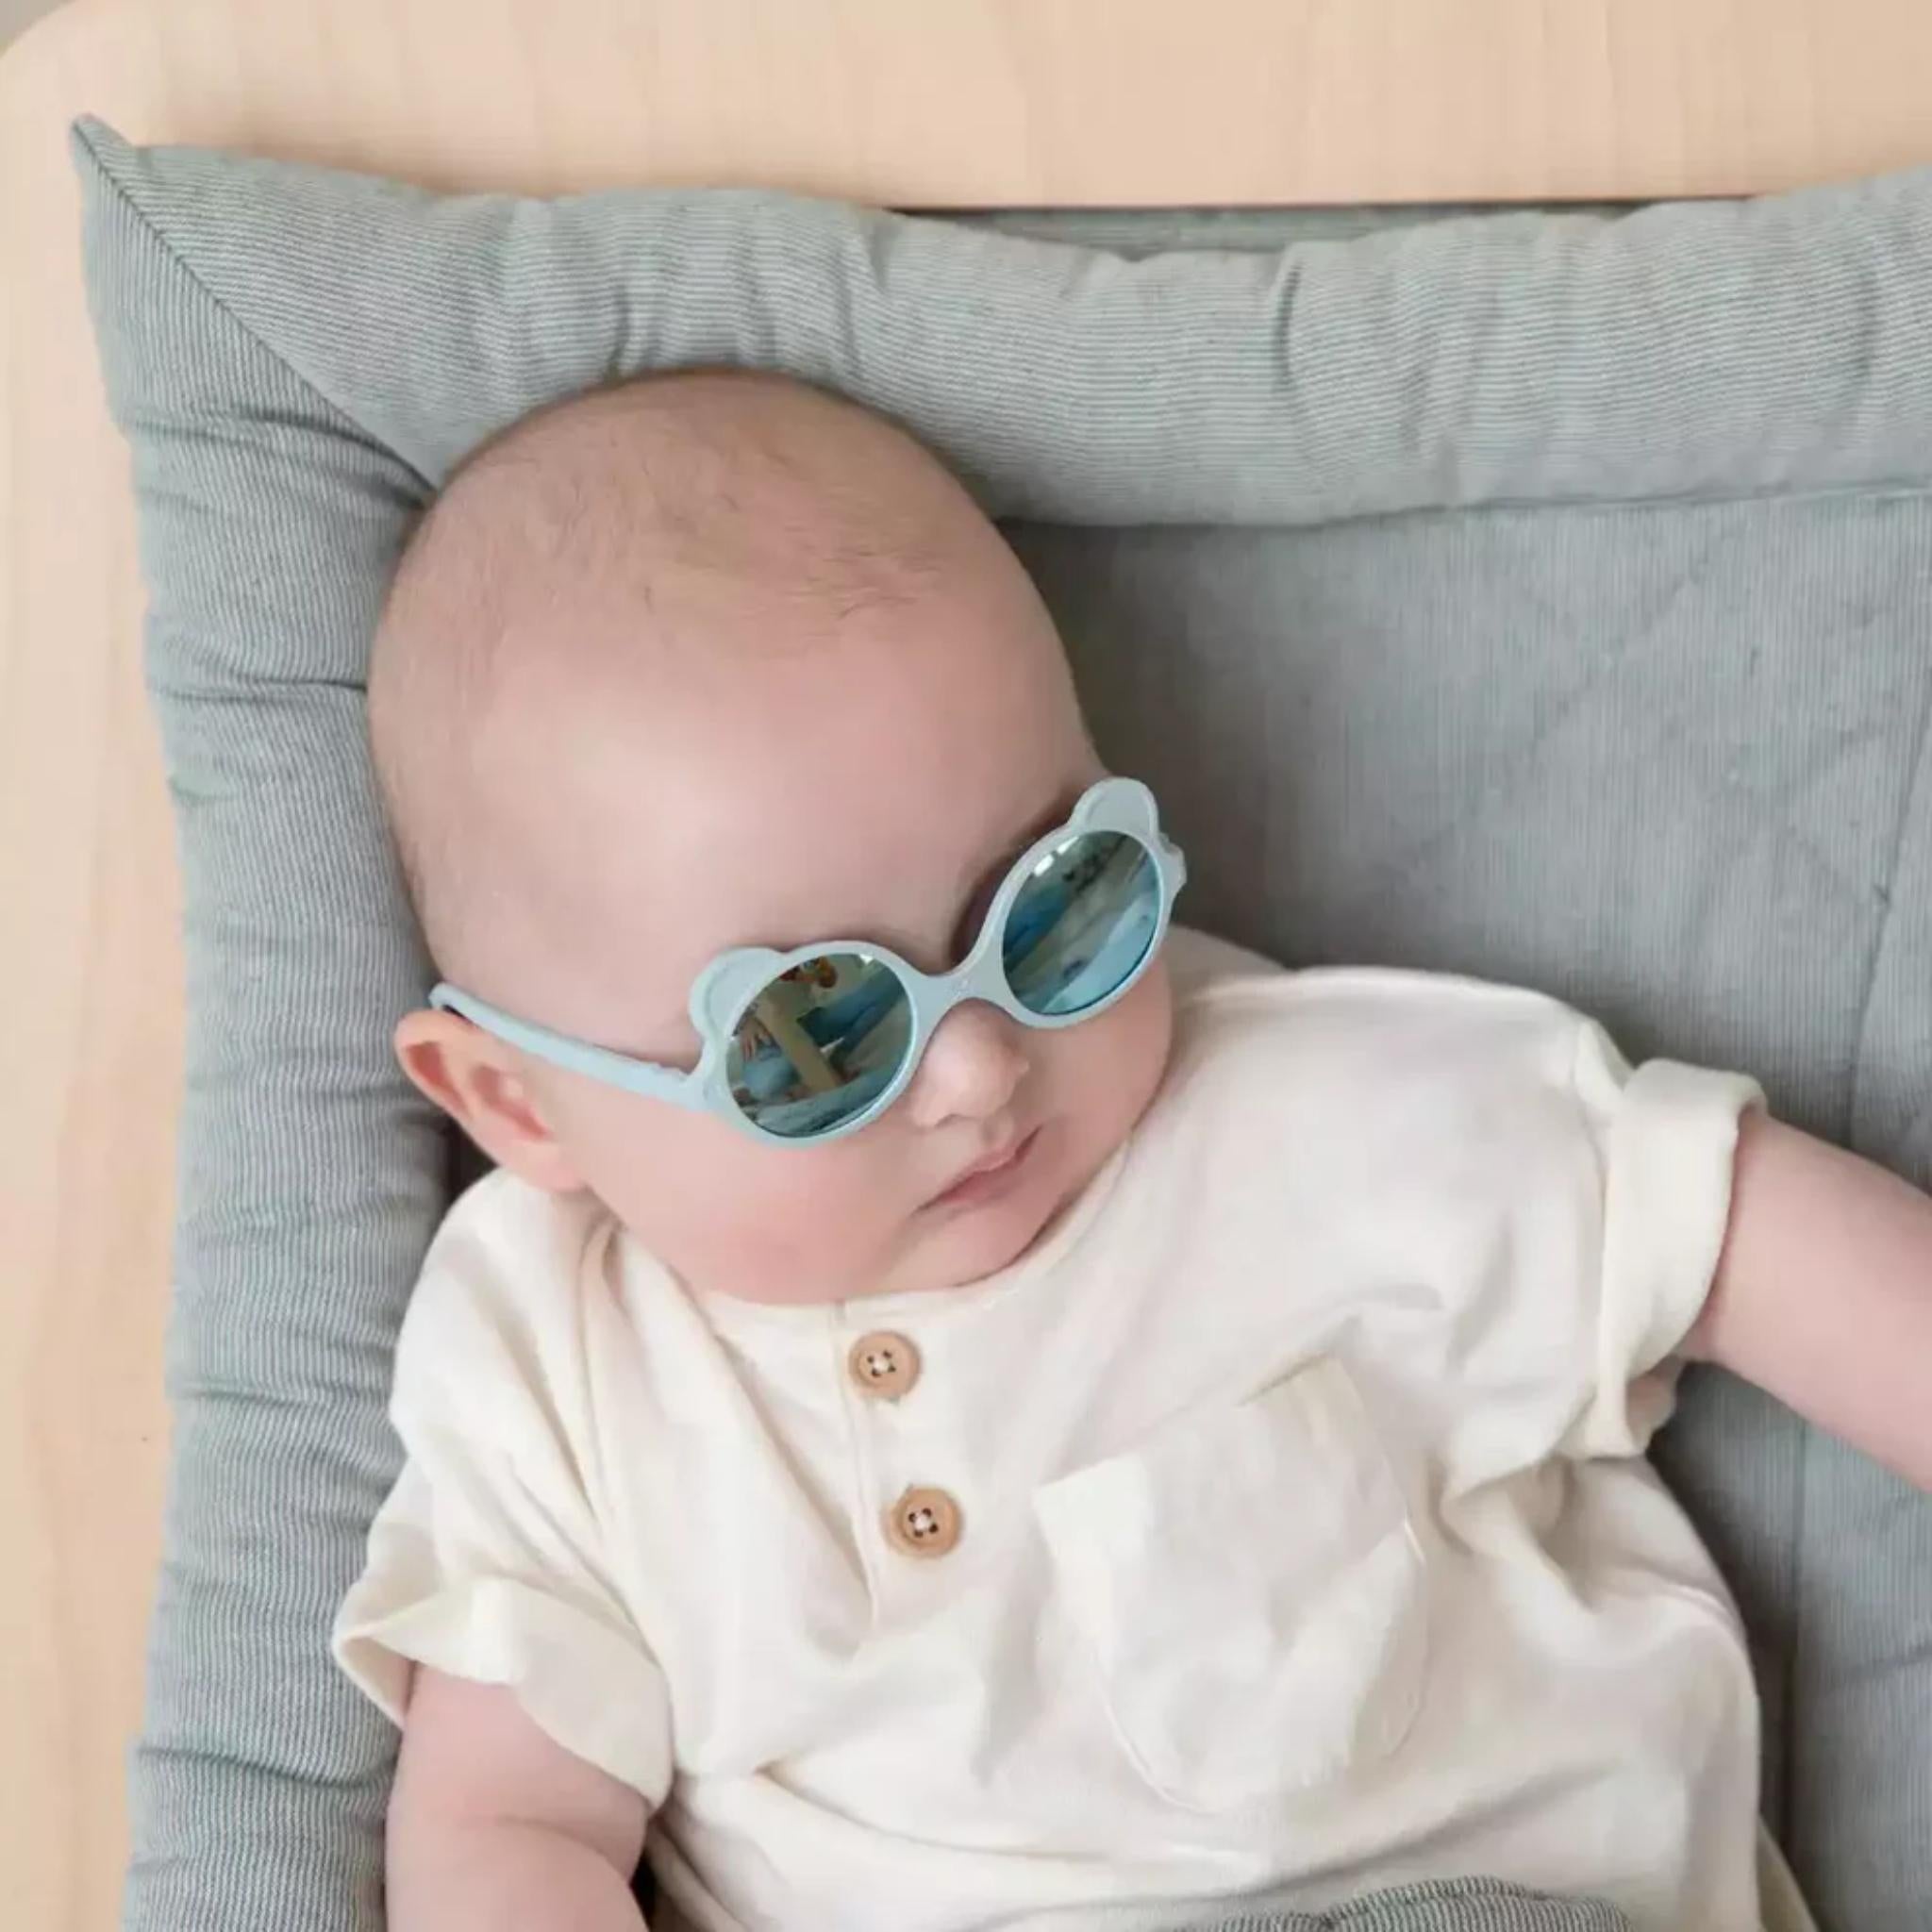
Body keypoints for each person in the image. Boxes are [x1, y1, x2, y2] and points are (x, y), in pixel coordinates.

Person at [335, 370, 1932, 1932]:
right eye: (821, 1035)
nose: (980, 1065)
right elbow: (509, 1822)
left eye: (1057, 907)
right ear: (519, 1104)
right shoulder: (552, 1367)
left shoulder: (1308, 1117)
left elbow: (1742, 1232)